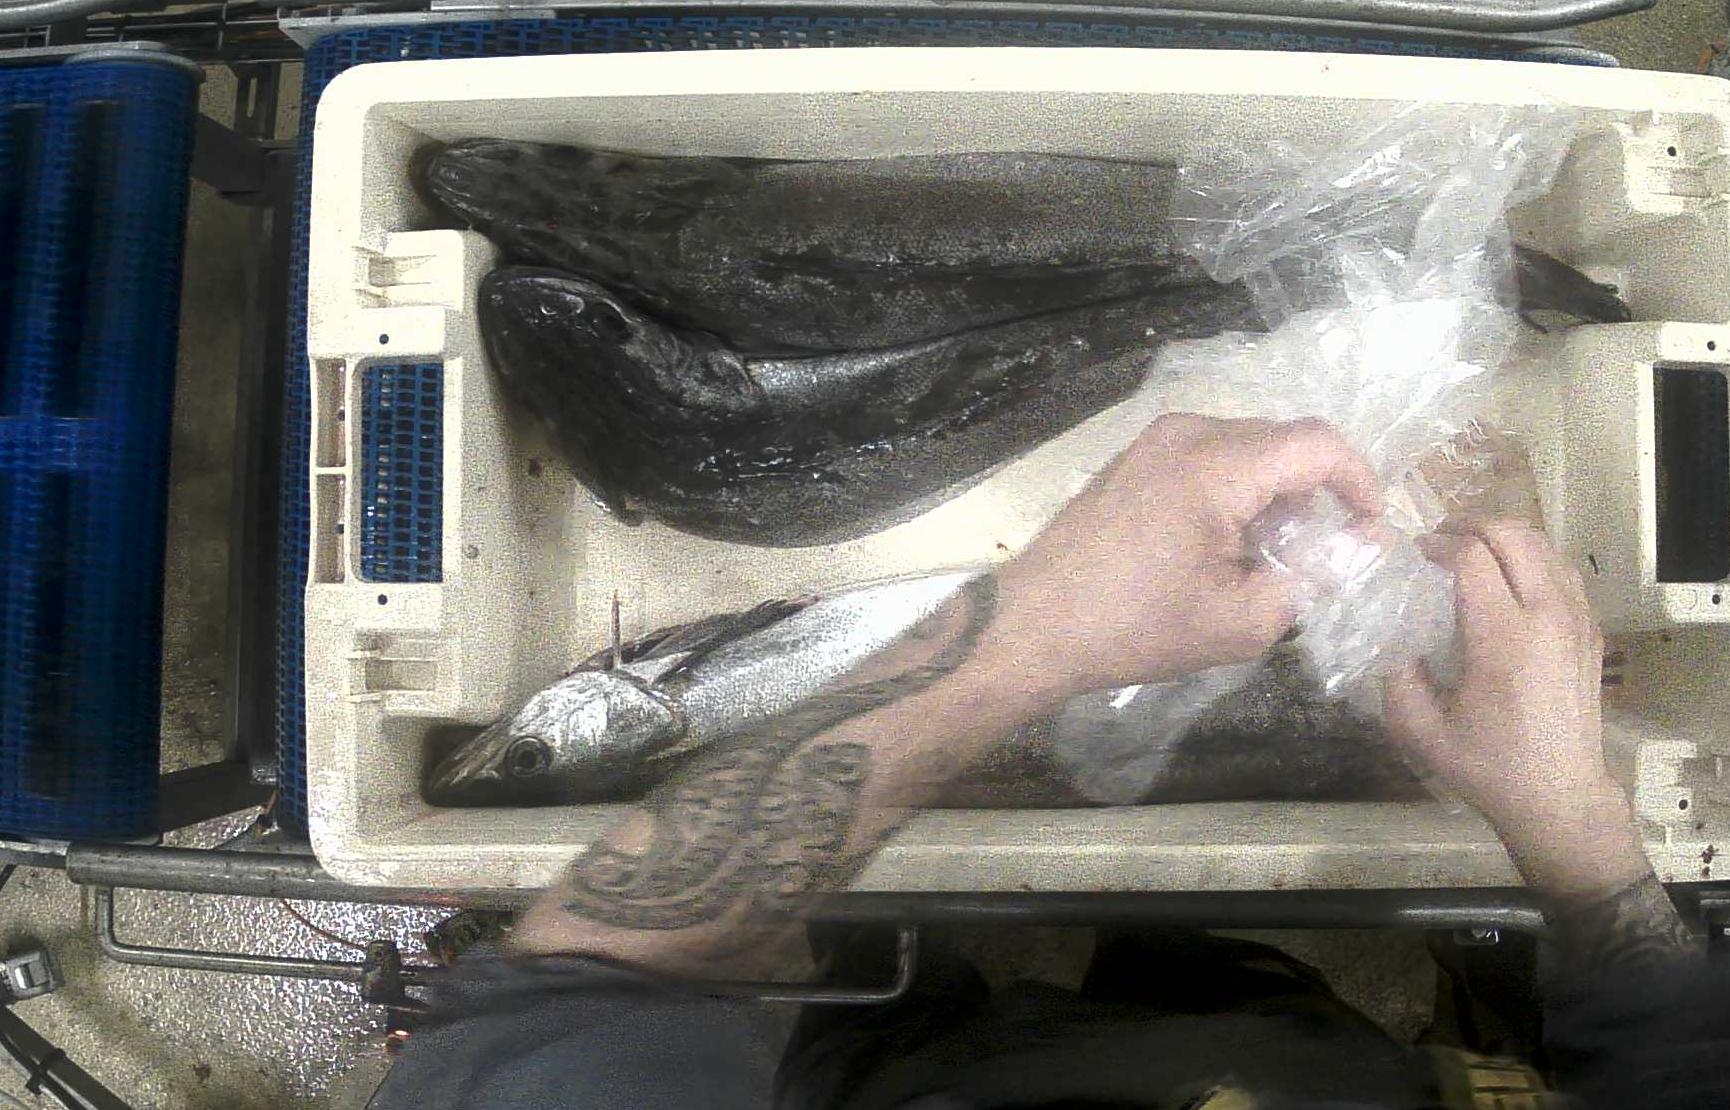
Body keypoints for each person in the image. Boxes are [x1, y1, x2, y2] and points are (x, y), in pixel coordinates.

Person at [372, 415, 1717, 1109]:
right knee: (1193, 978)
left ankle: (914, 1001)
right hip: (1298, 1056)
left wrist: (1036, 632)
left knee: (889, 1015)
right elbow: (1684, 1070)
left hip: (891, 1083)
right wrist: (1577, 835)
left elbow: (581, 991)